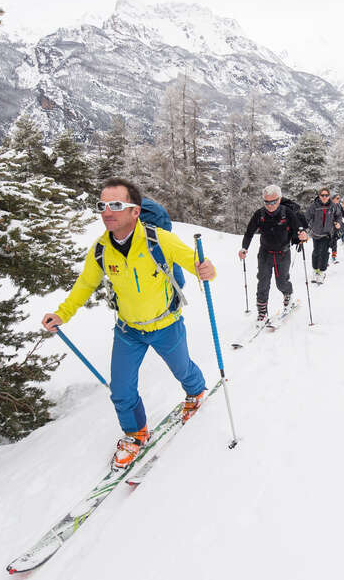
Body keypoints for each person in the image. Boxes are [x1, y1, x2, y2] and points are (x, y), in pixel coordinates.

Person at [42, 177, 216, 469]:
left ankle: (196, 392)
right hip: (128, 331)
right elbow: (85, 284)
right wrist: (62, 314)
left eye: (116, 205)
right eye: (102, 205)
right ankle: (135, 434)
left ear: (135, 211)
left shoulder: (159, 239)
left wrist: (206, 270)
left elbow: (199, 266)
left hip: (166, 325)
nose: (106, 211)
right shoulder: (101, 249)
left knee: (182, 368)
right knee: (121, 389)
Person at [238, 185, 308, 323]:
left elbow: (298, 228)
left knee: (281, 282)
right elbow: (249, 232)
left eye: (273, 201)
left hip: (283, 253)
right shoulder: (260, 214)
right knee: (263, 282)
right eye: (266, 202)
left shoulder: (287, 212)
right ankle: (262, 312)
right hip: (265, 253)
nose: (270, 205)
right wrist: (244, 248)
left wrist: (303, 234)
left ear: (280, 199)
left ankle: (288, 294)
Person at [305, 187, 342, 283]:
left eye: (326, 195)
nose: (324, 197)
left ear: (329, 196)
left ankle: (322, 272)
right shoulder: (314, 206)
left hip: (327, 233)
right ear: (319, 196)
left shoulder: (333, 206)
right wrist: (304, 229)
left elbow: (338, 216)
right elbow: (306, 217)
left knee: (324, 253)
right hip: (316, 233)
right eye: (322, 195)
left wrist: (338, 223)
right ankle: (315, 270)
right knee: (316, 252)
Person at [330, 193, 344, 262]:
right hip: (330, 225)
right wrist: (334, 222)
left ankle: (334, 255)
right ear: (333, 199)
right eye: (337, 198)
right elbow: (328, 216)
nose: (339, 200)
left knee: (335, 238)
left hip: (338, 224)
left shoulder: (338, 205)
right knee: (331, 239)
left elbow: (343, 213)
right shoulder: (330, 206)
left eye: (339, 198)